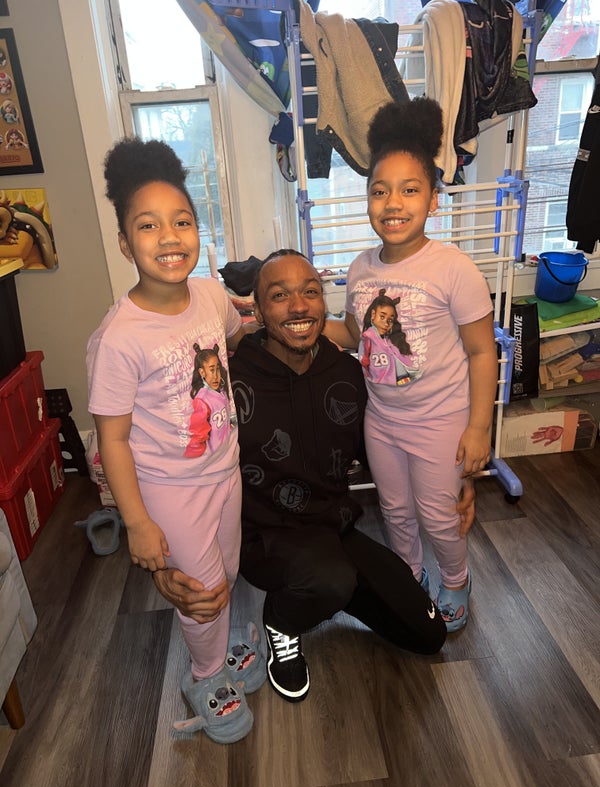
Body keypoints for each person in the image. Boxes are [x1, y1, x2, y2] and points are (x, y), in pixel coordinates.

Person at [154, 249, 475, 704]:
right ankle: (283, 620)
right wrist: (165, 564)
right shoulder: (232, 382)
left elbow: (391, 446)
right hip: (263, 535)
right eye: (279, 296)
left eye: (310, 292)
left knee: (427, 634)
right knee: (329, 578)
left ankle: (330, 588)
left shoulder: (346, 372)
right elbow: (175, 470)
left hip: (333, 527)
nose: (298, 306)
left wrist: (458, 481)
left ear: (324, 303)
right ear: (256, 310)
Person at [86, 137, 265, 744]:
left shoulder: (211, 295)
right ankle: (206, 675)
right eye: (148, 225)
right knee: (201, 588)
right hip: (168, 488)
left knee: (229, 569)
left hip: (224, 470)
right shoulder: (119, 337)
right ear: (124, 243)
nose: (169, 237)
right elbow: (113, 439)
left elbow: (233, 335)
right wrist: (137, 522)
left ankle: (225, 643)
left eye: (182, 221)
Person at [324, 98, 498, 633]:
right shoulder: (359, 268)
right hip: (382, 421)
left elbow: (482, 351)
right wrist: (296, 323)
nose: (393, 203)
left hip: (441, 424)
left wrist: (478, 428)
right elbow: (353, 334)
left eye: (409, 189)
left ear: (433, 200)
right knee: (395, 512)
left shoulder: (454, 269)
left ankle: (455, 579)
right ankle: (409, 576)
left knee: (439, 516)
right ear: (367, 200)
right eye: (380, 191)